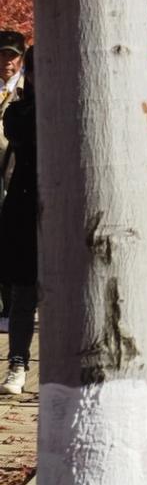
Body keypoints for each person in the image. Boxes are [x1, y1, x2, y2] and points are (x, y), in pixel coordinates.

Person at [0, 46, 36, 394]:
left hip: (71, 214)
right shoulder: (18, 112)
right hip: (26, 211)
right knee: (24, 294)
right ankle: (18, 364)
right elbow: (23, 130)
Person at [0, 31, 24, 334]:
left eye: (12, 56)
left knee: (12, 238)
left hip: (17, 172)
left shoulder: (25, 92)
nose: (7, 62)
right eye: (3, 55)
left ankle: (12, 306)